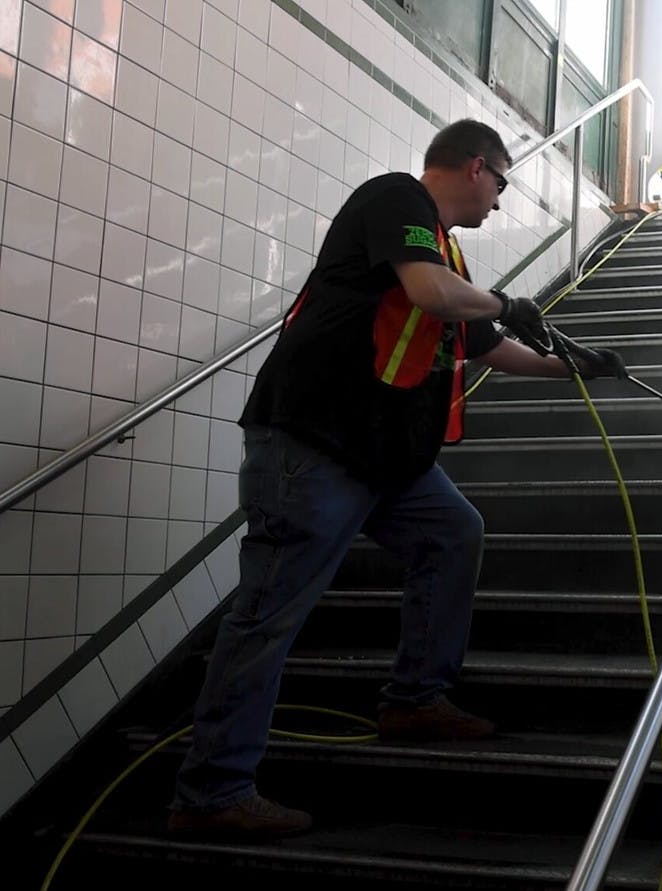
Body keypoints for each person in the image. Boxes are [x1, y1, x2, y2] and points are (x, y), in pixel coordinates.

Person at [167, 120, 625, 838]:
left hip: (382, 459)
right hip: (314, 446)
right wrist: (508, 302)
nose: (501, 202)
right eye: (502, 184)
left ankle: (415, 697)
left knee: (454, 530)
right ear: (477, 167)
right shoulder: (396, 201)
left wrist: (573, 367)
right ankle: (211, 790)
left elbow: (483, 344)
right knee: (268, 614)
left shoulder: (450, 254)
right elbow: (429, 294)